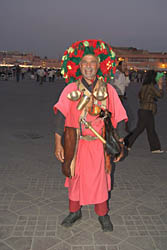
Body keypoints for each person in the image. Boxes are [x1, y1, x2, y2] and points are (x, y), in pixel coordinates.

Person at [53, 40, 128, 232]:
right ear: (79, 66)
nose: (88, 66)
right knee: (74, 177)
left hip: (98, 146)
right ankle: (74, 211)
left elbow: (118, 117)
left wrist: (120, 142)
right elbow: (60, 116)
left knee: (100, 180)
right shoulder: (70, 89)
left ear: (98, 66)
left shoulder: (108, 90)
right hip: (76, 144)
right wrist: (58, 144)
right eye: (85, 62)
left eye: (92, 62)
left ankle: (102, 214)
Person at [125, 70, 164, 153]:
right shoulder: (150, 87)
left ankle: (155, 148)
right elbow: (160, 95)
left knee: (149, 129)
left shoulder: (144, 86)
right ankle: (126, 143)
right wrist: (160, 86)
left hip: (143, 110)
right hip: (147, 110)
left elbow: (142, 96)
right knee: (142, 129)